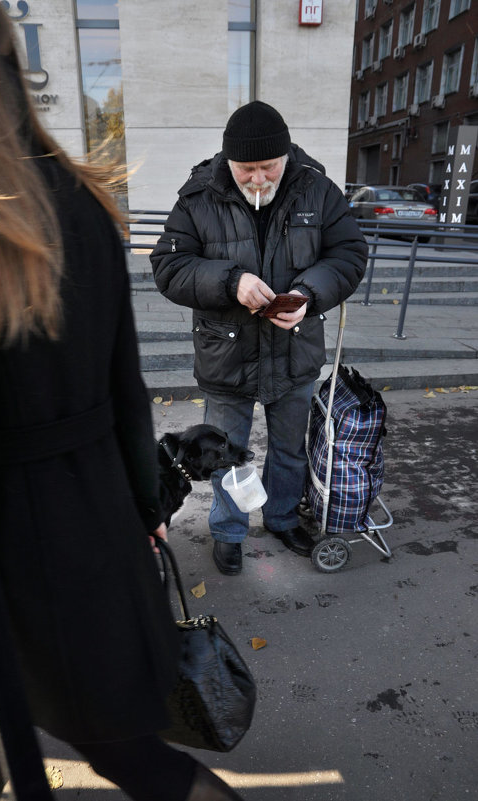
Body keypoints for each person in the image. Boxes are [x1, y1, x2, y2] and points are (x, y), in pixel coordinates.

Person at [0, 2, 243, 800]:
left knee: (132, 757)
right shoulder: (75, 198)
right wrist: (141, 499)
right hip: (87, 517)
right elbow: (125, 386)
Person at [151, 101, 368, 576]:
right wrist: (231, 282)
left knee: (290, 447)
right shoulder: (198, 196)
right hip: (226, 351)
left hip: (294, 349)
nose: (255, 178)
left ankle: (283, 517)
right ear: (228, 161)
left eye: (266, 167)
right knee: (225, 454)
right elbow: (168, 267)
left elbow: (349, 253)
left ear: (285, 155)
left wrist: (309, 294)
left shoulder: (318, 189)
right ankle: (229, 533)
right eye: (244, 168)